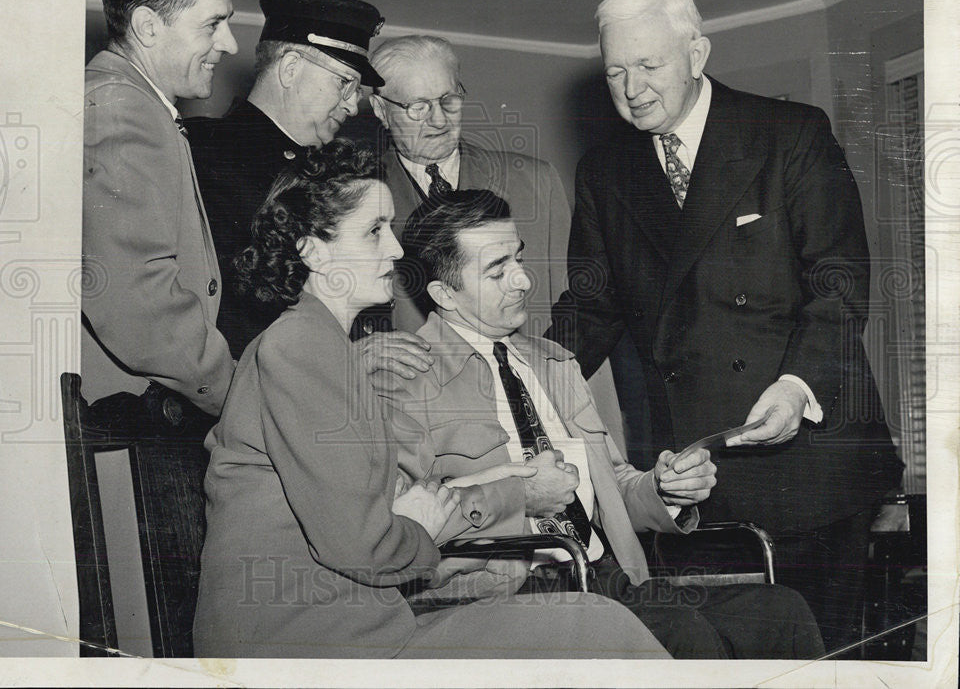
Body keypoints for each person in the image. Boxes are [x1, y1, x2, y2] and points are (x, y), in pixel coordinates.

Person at [193, 140, 668, 659]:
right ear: (313, 251)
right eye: (374, 232)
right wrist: (426, 519)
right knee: (593, 627)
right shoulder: (300, 346)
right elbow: (370, 548)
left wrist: (471, 497)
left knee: (594, 622)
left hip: (356, 628)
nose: (396, 252)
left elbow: (372, 511)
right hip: (311, 644)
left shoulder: (322, 345)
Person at [546, 0, 904, 652]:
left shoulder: (789, 135)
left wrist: (797, 386)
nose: (632, 88)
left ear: (696, 52)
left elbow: (840, 282)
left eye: (649, 66)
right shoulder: (605, 170)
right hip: (699, 471)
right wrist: (510, 370)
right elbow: (590, 306)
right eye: (616, 71)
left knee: (818, 658)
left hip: (813, 465)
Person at [379, 189, 824, 659]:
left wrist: (664, 489)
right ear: (443, 293)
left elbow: (611, 490)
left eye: (518, 259)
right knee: (681, 632)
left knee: (781, 613)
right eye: (497, 270)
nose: (524, 280)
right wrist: (518, 498)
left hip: (609, 578)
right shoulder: (402, 384)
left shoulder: (554, 364)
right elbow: (395, 534)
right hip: (505, 598)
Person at [82, 0, 239, 426]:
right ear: (148, 26)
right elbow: (138, 299)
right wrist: (239, 399)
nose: (230, 44)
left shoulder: (137, 103)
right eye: (212, 25)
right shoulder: (123, 107)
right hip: (129, 417)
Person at [187, 0, 387, 359]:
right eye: (345, 82)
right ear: (290, 68)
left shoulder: (335, 174)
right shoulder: (201, 150)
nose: (351, 104)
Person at [365, 35, 571, 335]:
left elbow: (577, 310)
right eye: (418, 107)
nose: (439, 120)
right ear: (381, 109)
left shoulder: (536, 181)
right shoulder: (357, 194)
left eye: (448, 100)